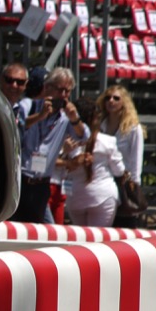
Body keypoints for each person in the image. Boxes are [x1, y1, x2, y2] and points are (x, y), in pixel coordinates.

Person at [11, 67, 88, 224]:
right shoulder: (29, 105)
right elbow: (14, 125)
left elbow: (84, 136)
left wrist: (74, 118)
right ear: (47, 88)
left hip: (42, 184)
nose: (64, 96)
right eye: (60, 90)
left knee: (42, 232)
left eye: (68, 91)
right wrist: (40, 116)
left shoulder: (66, 117)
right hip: (20, 180)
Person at [58, 97, 126, 227]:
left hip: (75, 197)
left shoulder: (67, 142)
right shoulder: (107, 141)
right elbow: (119, 171)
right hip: (103, 196)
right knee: (99, 242)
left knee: (80, 242)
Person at [95, 84, 145, 228]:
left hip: (124, 181)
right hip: (104, 179)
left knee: (124, 224)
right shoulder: (100, 125)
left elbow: (136, 160)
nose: (111, 101)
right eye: (108, 98)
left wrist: (134, 187)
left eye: (116, 98)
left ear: (124, 103)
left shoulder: (134, 129)